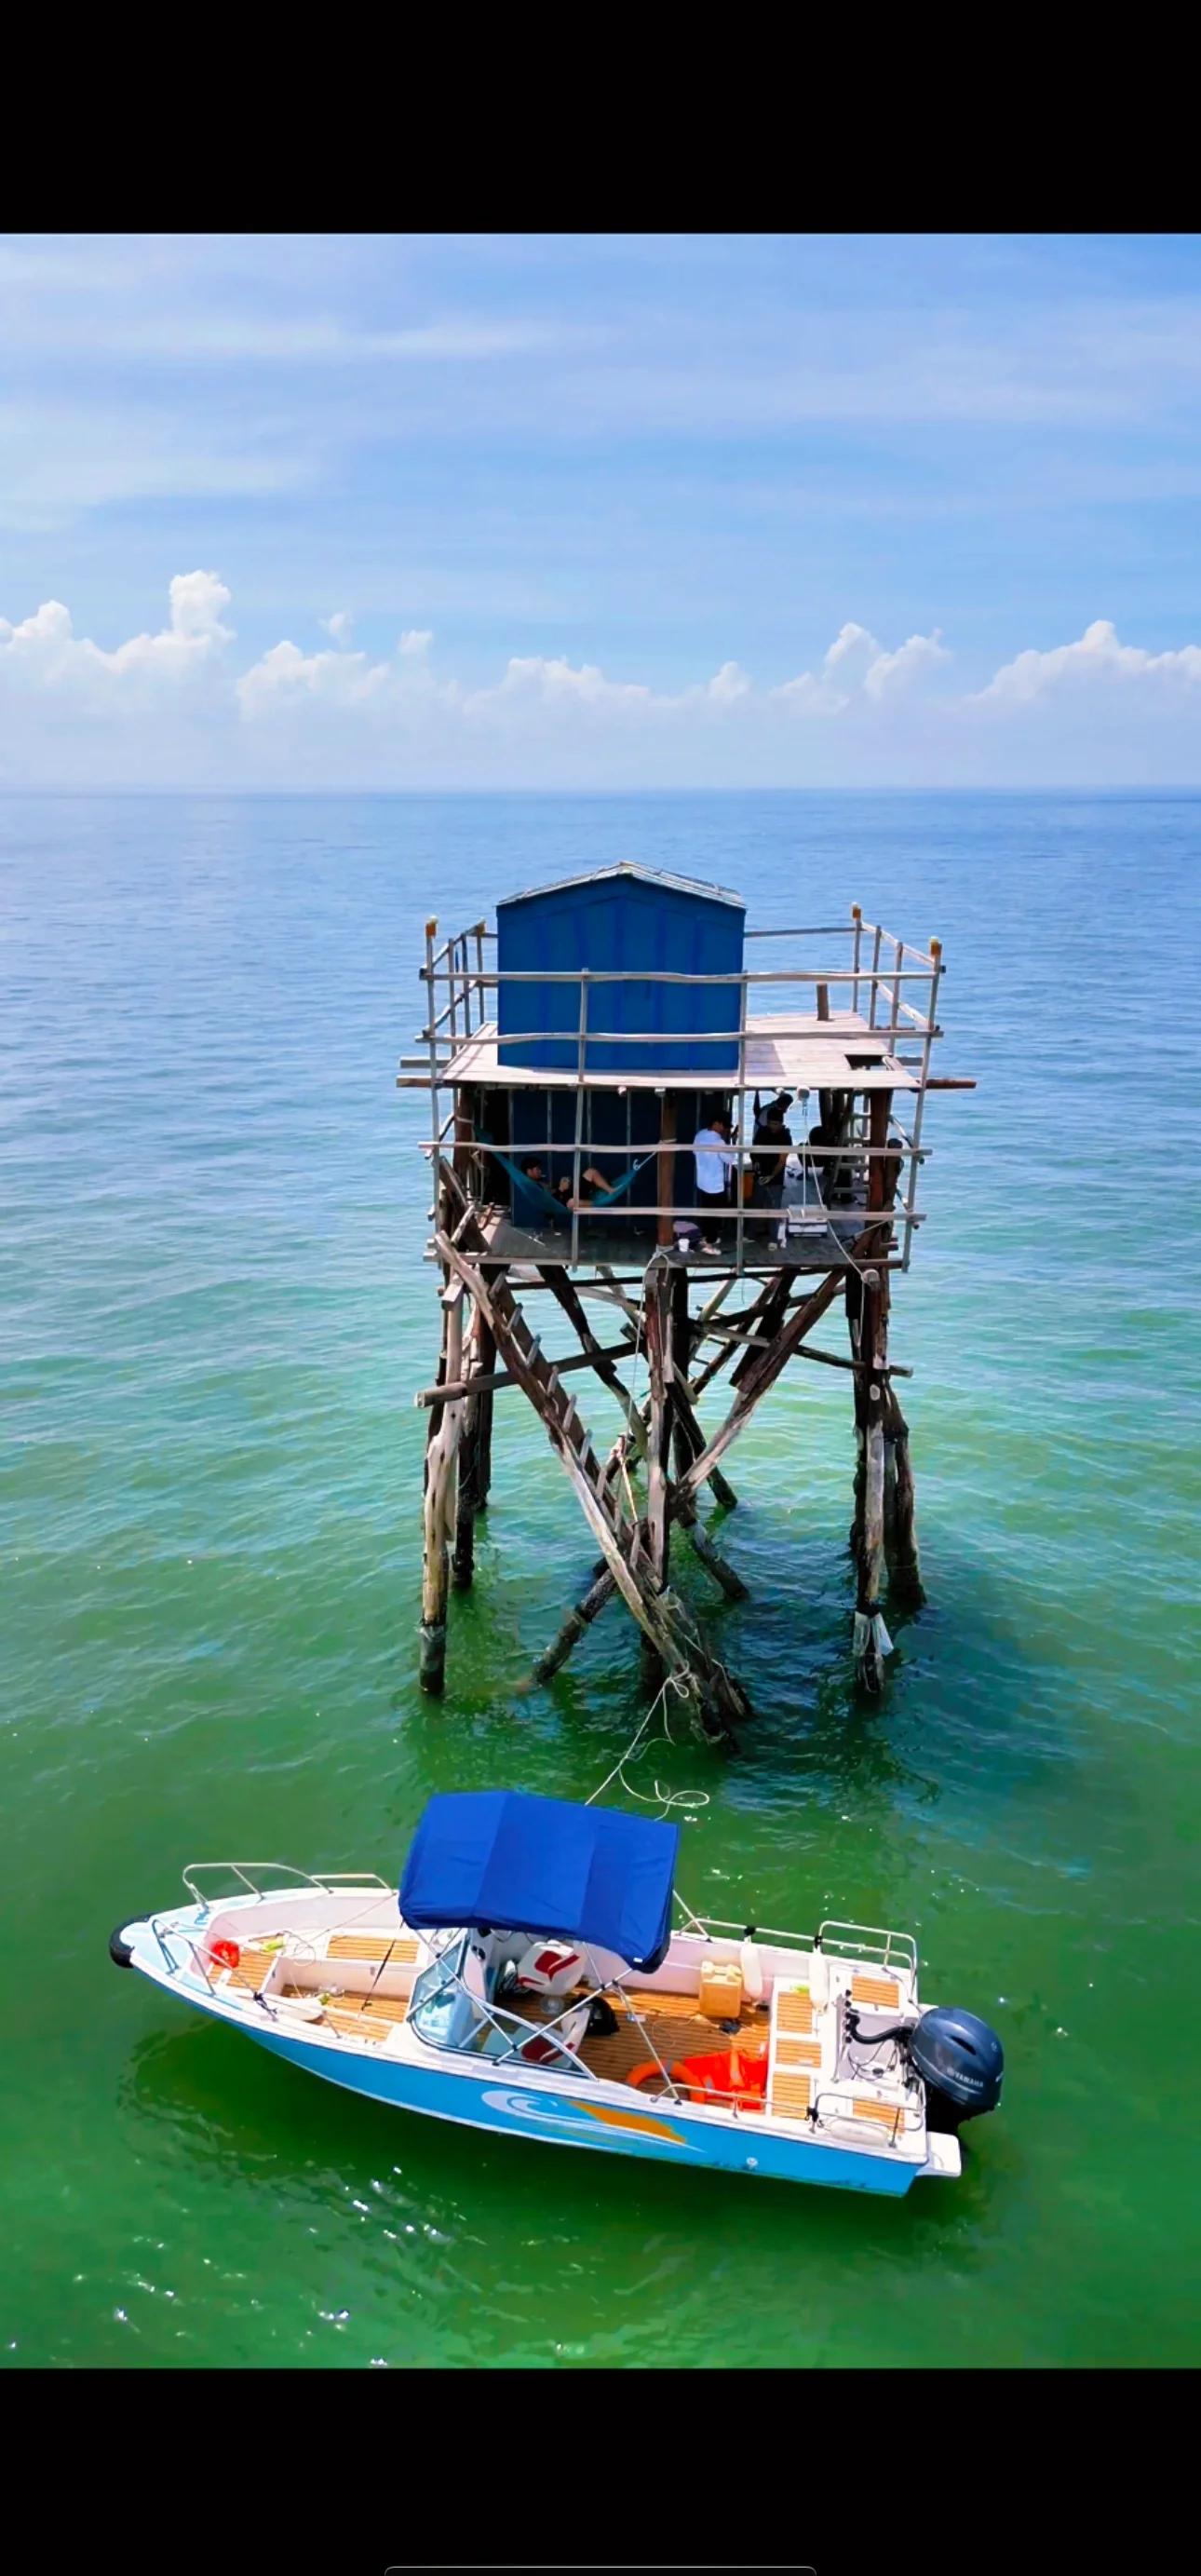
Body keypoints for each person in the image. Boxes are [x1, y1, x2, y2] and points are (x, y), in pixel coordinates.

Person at [691, 1113, 737, 1253]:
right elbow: (729, 1159)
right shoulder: (719, 1142)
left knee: (706, 1212)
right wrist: (733, 1144)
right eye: (723, 1126)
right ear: (716, 1123)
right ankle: (710, 1243)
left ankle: (706, 1237)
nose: (724, 1129)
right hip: (715, 1184)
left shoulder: (700, 1135)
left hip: (702, 1181)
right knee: (714, 1215)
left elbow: (694, 1151)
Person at [750, 1091, 794, 1224]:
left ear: (781, 1123)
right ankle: (751, 1233)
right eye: (771, 1124)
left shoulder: (785, 1136)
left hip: (775, 1174)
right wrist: (755, 1161)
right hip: (761, 1169)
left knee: (774, 1205)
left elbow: (782, 1160)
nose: (772, 1127)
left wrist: (772, 1176)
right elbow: (754, 1150)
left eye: (775, 1124)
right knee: (756, 1203)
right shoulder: (763, 1130)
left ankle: (773, 1238)